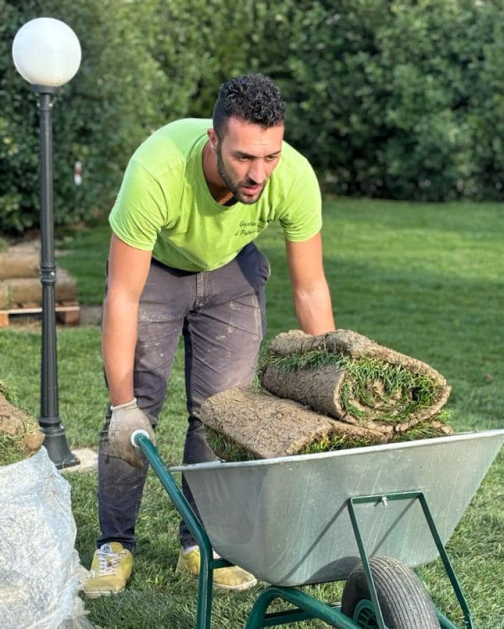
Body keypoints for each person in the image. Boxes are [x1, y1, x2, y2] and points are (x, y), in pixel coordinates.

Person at [84, 73, 335, 599]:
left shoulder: (292, 176)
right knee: (137, 409)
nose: (259, 173)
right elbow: (122, 297)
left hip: (230, 275)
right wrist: (121, 401)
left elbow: (310, 288)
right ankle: (115, 544)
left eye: (270, 156)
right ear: (214, 140)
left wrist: (333, 384)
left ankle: (202, 543)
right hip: (155, 272)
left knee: (222, 407)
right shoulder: (157, 170)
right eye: (245, 157)